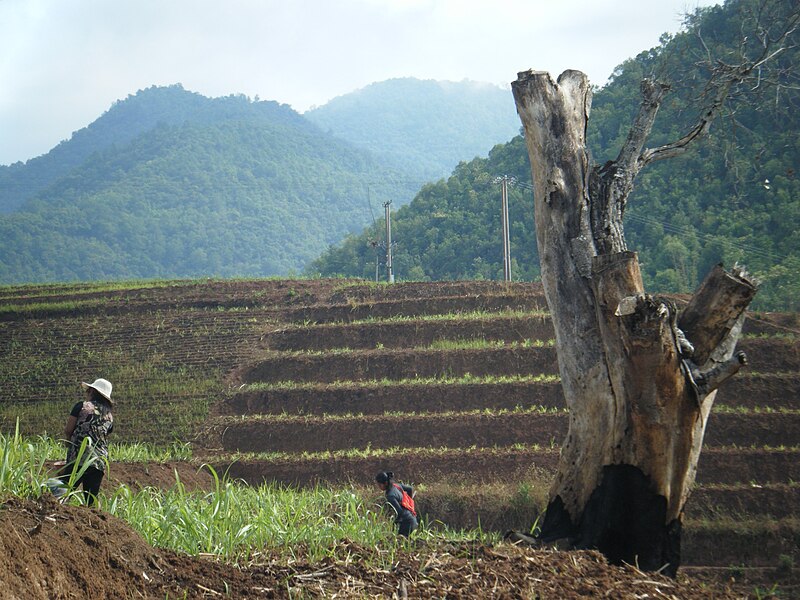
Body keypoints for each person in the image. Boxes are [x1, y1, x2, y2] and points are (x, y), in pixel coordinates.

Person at [60, 378, 115, 506]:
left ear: (92, 391)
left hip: (78, 457)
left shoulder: (81, 406)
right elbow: (105, 434)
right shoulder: (109, 416)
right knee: (91, 500)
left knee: (61, 495)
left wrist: (69, 444)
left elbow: (68, 430)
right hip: (98, 461)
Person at [375, 471, 417, 537]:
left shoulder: (390, 496)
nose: (379, 487)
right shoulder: (396, 486)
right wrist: (409, 503)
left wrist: (393, 524)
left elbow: (399, 513)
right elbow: (410, 489)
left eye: (380, 485)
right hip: (413, 519)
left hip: (407, 524)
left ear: (385, 483)